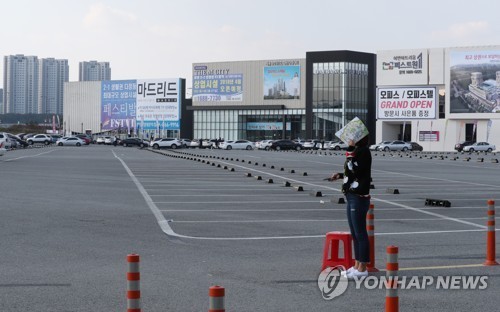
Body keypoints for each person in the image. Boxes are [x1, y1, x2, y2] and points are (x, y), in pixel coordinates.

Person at [329, 135, 372, 279]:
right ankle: (356, 265)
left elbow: (357, 170)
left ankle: (363, 268)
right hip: (351, 195)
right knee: (354, 233)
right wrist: (340, 175)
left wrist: (350, 150)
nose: (349, 140)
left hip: (359, 196)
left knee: (360, 233)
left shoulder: (363, 151)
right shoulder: (358, 151)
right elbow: (352, 171)